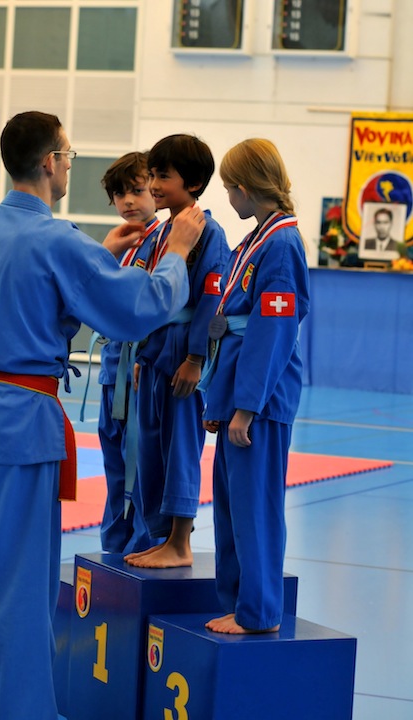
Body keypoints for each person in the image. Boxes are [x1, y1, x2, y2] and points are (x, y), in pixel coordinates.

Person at [0, 110, 205, 720]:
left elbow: (14, 306)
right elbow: (137, 310)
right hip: (18, 431)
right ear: (51, 162)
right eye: (68, 155)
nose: (69, 166)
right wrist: (176, 254)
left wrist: (93, 263)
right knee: (21, 593)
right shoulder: (59, 241)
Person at [200, 138, 309, 634]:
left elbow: (271, 332)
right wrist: (220, 402)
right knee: (232, 508)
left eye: (228, 189)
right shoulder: (255, 240)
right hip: (238, 395)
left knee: (255, 509)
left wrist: (246, 406)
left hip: (261, 402)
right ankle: (239, 601)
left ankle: (260, 612)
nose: (228, 198)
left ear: (245, 188)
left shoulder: (282, 245)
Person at [124, 133, 230, 569]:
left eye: (163, 176)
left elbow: (211, 299)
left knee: (180, 447)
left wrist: (195, 359)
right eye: (152, 174)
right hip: (153, 353)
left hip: (181, 356)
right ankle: (162, 536)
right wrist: (140, 353)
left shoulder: (208, 233)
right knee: (150, 448)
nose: (153, 184)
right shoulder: (162, 231)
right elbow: (150, 290)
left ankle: (181, 542)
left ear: (194, 183)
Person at [97, 151, 160, 553]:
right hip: (112, 369)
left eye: (137, 190)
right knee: (114, 461)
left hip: (139, 371)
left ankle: (140, 545)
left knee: (138, 462)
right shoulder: (123, 243)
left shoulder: (166, 241)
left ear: (156, 188)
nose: (129, 201)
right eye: (120, 194)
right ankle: (114, 544)